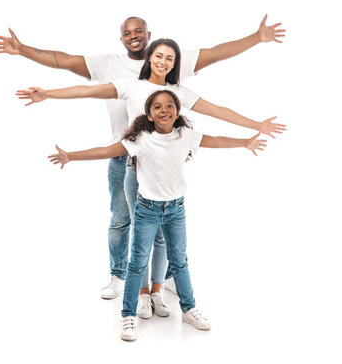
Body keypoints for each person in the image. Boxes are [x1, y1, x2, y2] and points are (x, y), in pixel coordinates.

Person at [0, 16, 285, 301]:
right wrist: (41, 82)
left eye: (140, 32)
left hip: (162, 160)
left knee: (160, 229)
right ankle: (123, 276)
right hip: (126, 157)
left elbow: (216, 70)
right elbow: (77, 76)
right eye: (128, 32)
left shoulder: (175, 77)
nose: (135, 37)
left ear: (151, 36)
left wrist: (256, 43)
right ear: (122, 38)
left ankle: (158, 284)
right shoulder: (121, 76)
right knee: (122, 220)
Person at [47, 89, 268, 341]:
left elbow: (215, 140)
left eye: (170, 105)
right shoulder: (141, 139)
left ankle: (189, 308)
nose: (165, 110)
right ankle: (128, 315)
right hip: (147, 210)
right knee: (137, 262)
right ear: (149, 115)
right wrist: (71, 156)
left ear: (177, 111)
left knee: (180, 261)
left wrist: (245, 142)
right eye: (158, 107)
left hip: (176, 209)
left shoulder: (185, 135)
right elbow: (106, 150)